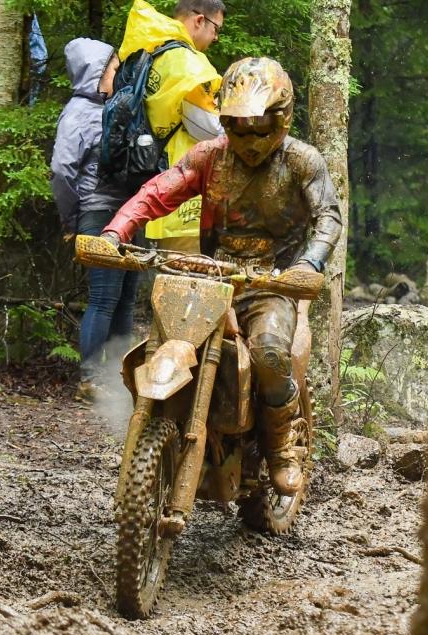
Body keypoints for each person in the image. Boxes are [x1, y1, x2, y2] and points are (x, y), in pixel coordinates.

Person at [100, 58, 343, 496]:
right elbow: (159, 191)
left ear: (282, 117)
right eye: (239, 128)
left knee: (269, 351)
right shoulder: (211, 156)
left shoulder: (303, 161)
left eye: (259, 128)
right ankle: (163, 426)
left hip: (273, 282)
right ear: (225, 122)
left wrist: (309, 264)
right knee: (164, 330)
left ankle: (281, 447)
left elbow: (328, 216)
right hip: (213, 275)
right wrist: (117, 230)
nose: (249, 140)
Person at [51, 38, 141, 400]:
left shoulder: (113, 107)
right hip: (100, 213)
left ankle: (121, 375)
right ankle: (90, 378)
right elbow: (61, 171)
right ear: (95, 72)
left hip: (131, 213)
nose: (117, 74)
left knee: (125, 299)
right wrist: (72, 218)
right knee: (104, 298)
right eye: (113, 68)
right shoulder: (77, 113)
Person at [119, 0, 226, 255]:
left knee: (172, 277)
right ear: (199, 21)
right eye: (216, 29)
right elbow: (212, 128)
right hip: (187, 192)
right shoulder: (188, 65)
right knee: (192, 282)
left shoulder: (155, 51)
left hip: (161, 179)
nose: (216, 38)